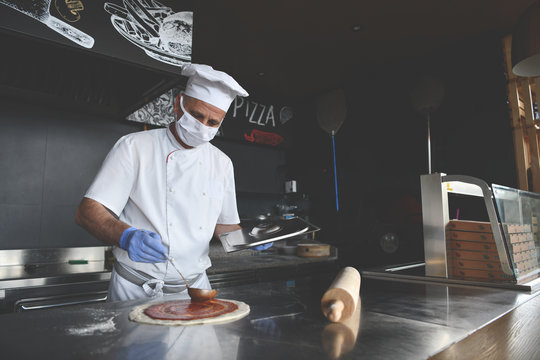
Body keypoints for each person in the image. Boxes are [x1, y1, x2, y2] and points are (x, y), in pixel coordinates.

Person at [75, 64, 272, 302]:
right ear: (178, 104)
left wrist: (251, 238)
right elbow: (87, 212)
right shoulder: (134, 146)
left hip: (196, 290)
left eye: (212, 122)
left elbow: (224, 227)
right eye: (197, 115)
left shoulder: (222, 163)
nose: (202, 126)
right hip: (136, 288)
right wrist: (125, 236)